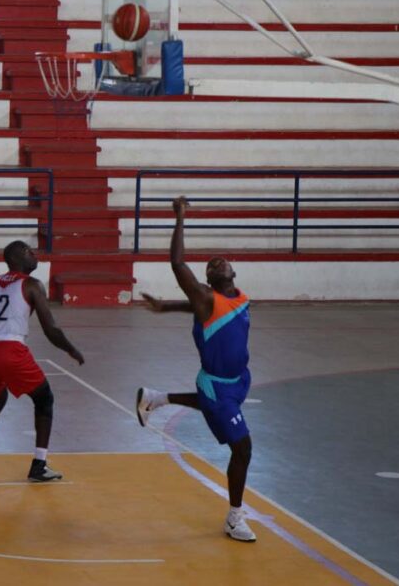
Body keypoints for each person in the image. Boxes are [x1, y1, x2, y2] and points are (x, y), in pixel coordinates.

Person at [135, 196, 257, 543]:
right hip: (218, 385)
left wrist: (166, 306)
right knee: (243, 448)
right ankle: (234, 518)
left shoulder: (240, 298)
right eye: (210, 266)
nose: (216, 262)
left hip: (238, 381)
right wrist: (180, 218)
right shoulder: (208, 298)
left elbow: (199, 309)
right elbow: (177, 264)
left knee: (214, 408)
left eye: (221, 262)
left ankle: (156, 398)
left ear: (232, 272)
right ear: (208, 281)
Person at [0, 240, 84, 483]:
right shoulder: (31, 284)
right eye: (29, 251)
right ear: (17, 259)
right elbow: (50, 328)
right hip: (10, 348)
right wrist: (70, 349)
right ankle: (39, 464)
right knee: (44, 399)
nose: (34, 254)